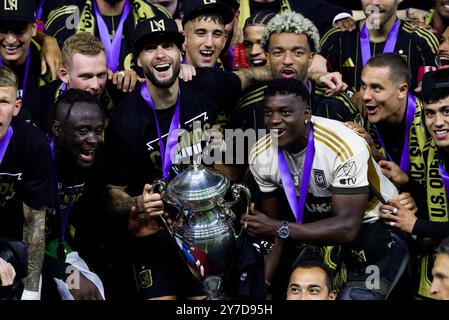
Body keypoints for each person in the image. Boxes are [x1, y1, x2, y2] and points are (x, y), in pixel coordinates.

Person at [104, 14, 272, 300]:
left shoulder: (205, 85)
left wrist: (314, 70)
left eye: (167, 45)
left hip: (206, 230)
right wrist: (137, 202)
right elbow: (111, 193)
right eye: (150, 48)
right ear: (138, 61)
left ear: (180, 51)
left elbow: (254, 75)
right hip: (157, 234)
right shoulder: (126, 119)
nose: (160, 55)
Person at [241, 78, 409, 300]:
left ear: (307, 114)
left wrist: (277, 227)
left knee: (353, 297)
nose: (274, 121)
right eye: (268, 113)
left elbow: (348, 229)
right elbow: (274, 232)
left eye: (285, 112)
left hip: (375, 226)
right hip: (318, 232)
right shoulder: (260, 155)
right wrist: (265, 285)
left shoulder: (343, 144)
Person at [378, 68, 449, 299]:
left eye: (446, 111)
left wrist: (416, 225)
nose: (437, 122)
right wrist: (406, 182)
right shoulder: (435, 149)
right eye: (430, 113)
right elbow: (437, 199)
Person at [41, 89, 106, 300]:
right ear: (57, 129)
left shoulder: (91, 160)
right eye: (83, 131)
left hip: (56, 247)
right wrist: (68, 274)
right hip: (17, 252)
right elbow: (18, 241)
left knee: (92, 290)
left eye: (98, 131)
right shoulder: (34, 161)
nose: (93, 139)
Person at [0, 66, 55, 300]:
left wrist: (31, 292)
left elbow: (35, 224)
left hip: (11, 242)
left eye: (2, 101)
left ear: (16, 107)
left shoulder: (32, 143)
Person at [44, 0, 172, 92]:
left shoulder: (157, 16)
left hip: (138, 114)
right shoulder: (63, 19)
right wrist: (44, 39)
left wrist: (139, 83)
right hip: (80, 116)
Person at [320, 0, 439, 95]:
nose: (375, 3)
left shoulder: (422, 41)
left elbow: (432, 98)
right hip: (346, 124)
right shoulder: (336, 39)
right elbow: (315, 83)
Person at [0, 0, 54, 121]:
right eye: (2, 29)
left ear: (34, 28)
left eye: (19, 30)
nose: (10, 40)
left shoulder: (49, 62)